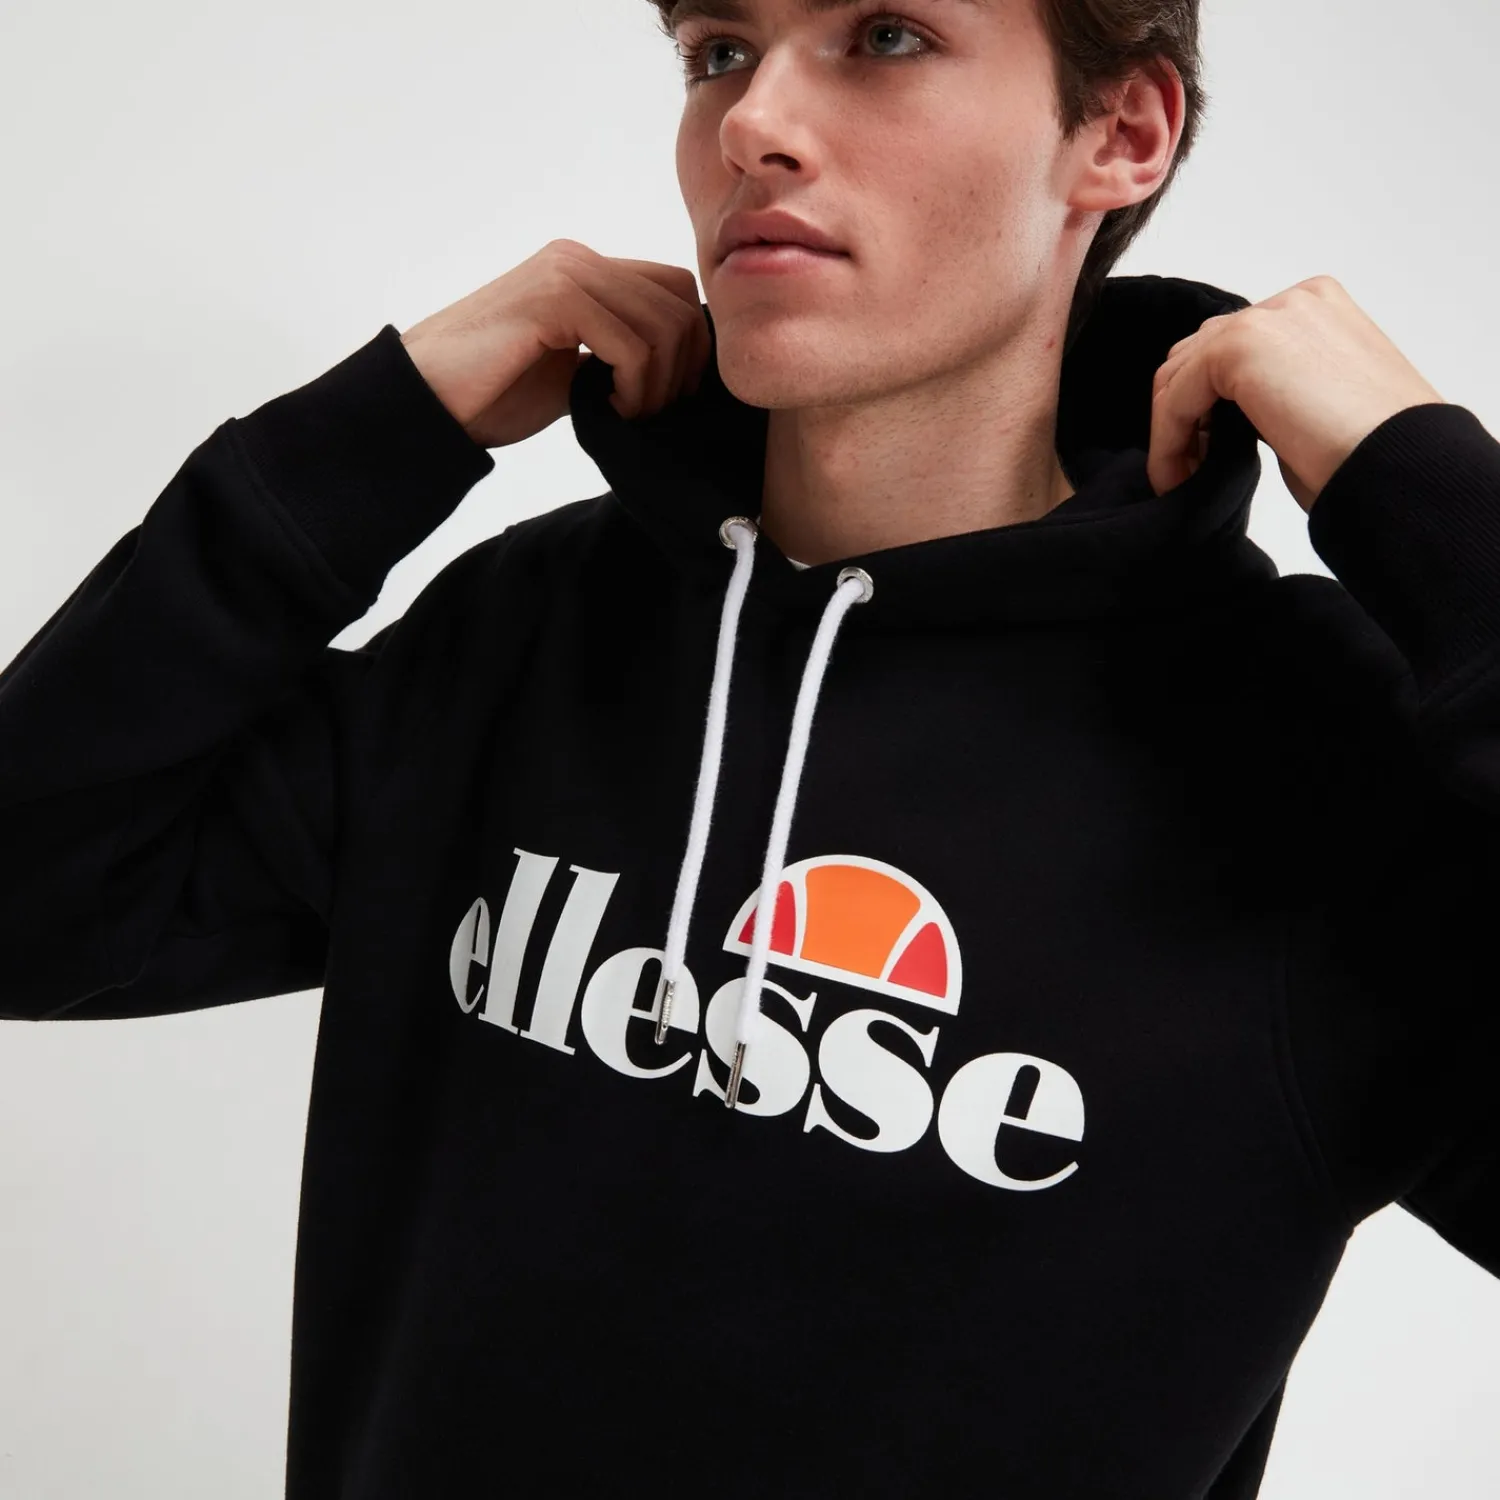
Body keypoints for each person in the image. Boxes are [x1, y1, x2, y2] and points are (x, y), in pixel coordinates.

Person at [3, 0, 1498, 1494]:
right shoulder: (533, 629)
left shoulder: (1314, 763)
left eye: (885, 37)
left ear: (1121, 132)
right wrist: (383, 426)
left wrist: (1433, 503)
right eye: (718, 51)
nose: (753, 124)